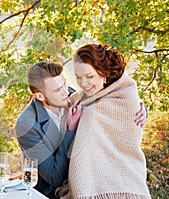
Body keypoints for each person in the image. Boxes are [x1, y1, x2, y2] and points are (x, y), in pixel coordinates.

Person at [15, 62, 147, 199]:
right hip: (52, 193)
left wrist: (139, 110)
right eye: (57, 90)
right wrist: (71, 130)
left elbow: (112, 104)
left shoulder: (73, 96)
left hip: (91, 177)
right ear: (40, 96)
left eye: (64, 84)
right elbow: (54, 177)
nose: (66, 92)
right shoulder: (26, 125)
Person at [63, 44, 151, 199]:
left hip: (124, 183)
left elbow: (124, 114)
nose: (83, 83)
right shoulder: (84, 98)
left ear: (104, 73)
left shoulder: (124, 94)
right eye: (78, 77)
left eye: (89, 77)